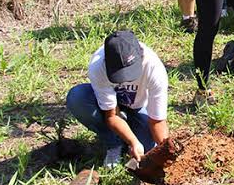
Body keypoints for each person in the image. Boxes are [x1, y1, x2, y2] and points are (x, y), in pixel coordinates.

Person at [65, 30, 170, 167]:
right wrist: (133, 141)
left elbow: (157, 121)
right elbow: (112, 115)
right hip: (109, 108)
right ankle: (114, 143)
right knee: (77, 98)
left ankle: (129, 126)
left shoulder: (154, 68)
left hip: (139, 107)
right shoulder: (98, 66)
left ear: (140, 55)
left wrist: (166, 151)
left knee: (148, 147)